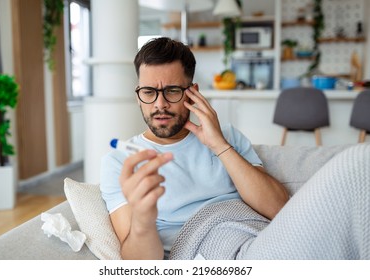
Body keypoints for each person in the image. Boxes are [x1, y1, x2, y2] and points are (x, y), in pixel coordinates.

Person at [100, 37, 289, 260]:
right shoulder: (120, 161)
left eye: (172, 91)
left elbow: (280, 209)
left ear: (193, 93)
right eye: (149, 92)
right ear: (138, 97)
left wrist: (219, 145)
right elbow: (139, 265)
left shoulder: (226, 137)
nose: (160, 104)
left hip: (257, 242)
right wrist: (143, 219)